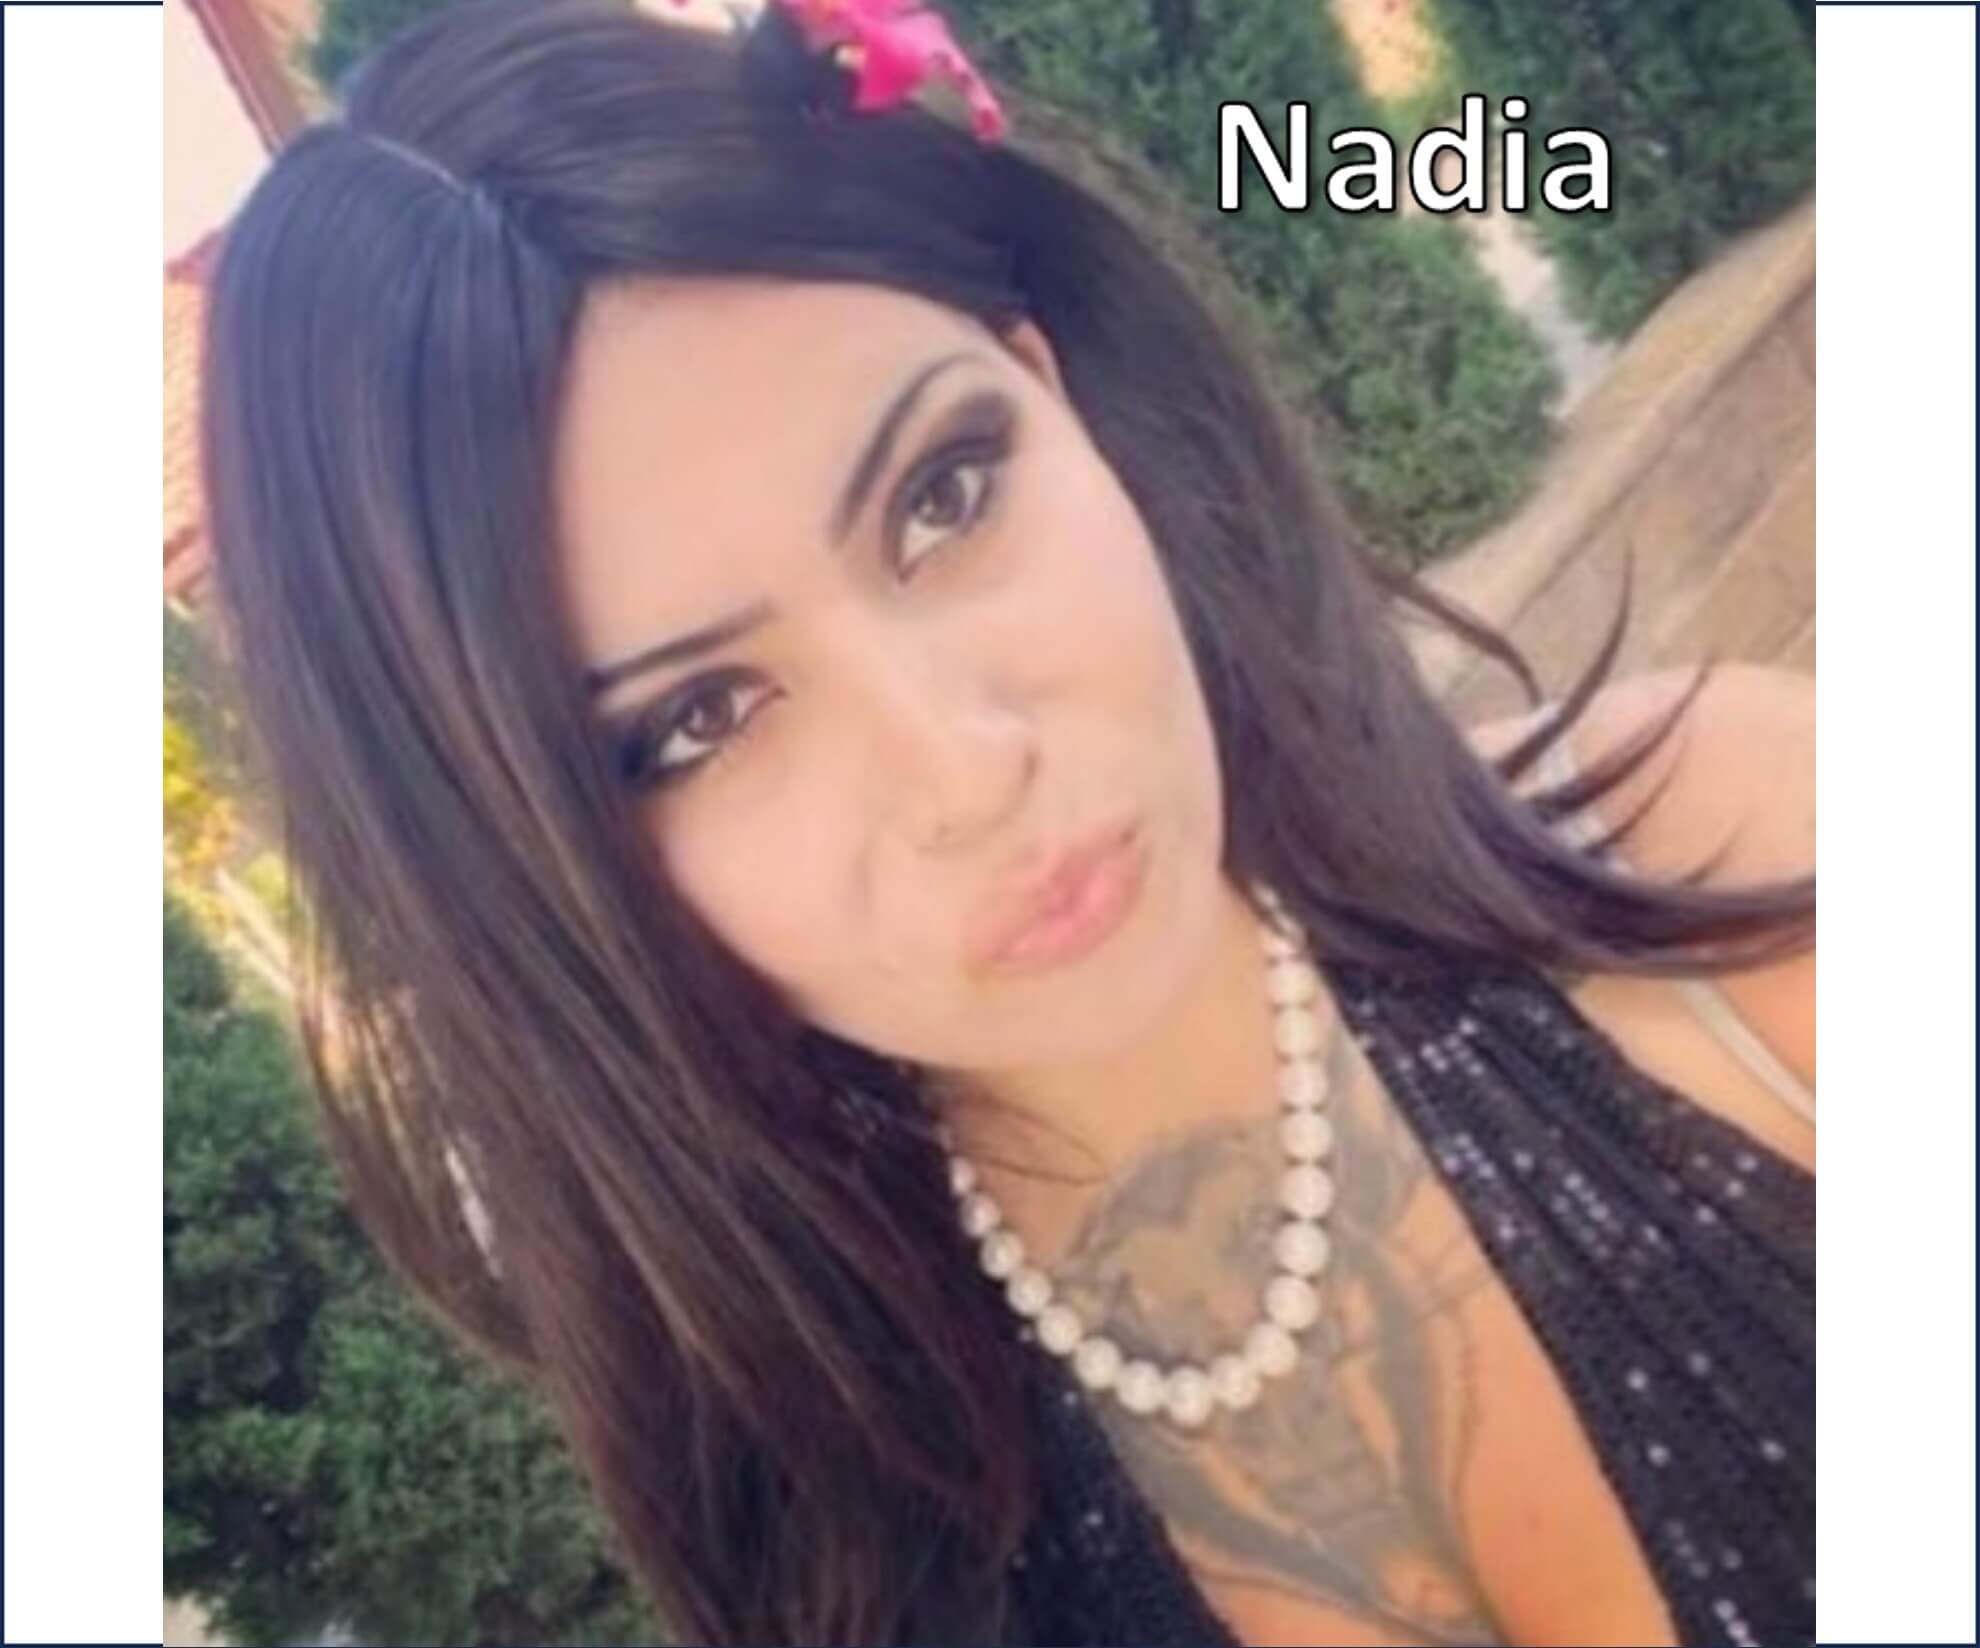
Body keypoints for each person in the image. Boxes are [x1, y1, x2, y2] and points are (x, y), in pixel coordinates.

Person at [198, 1, 1814, 1643]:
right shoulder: (851, 1558)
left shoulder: (1740, 859)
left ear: (1056, 393)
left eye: (946, 494)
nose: (964, 767)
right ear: (540, 880)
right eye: (696, 722)